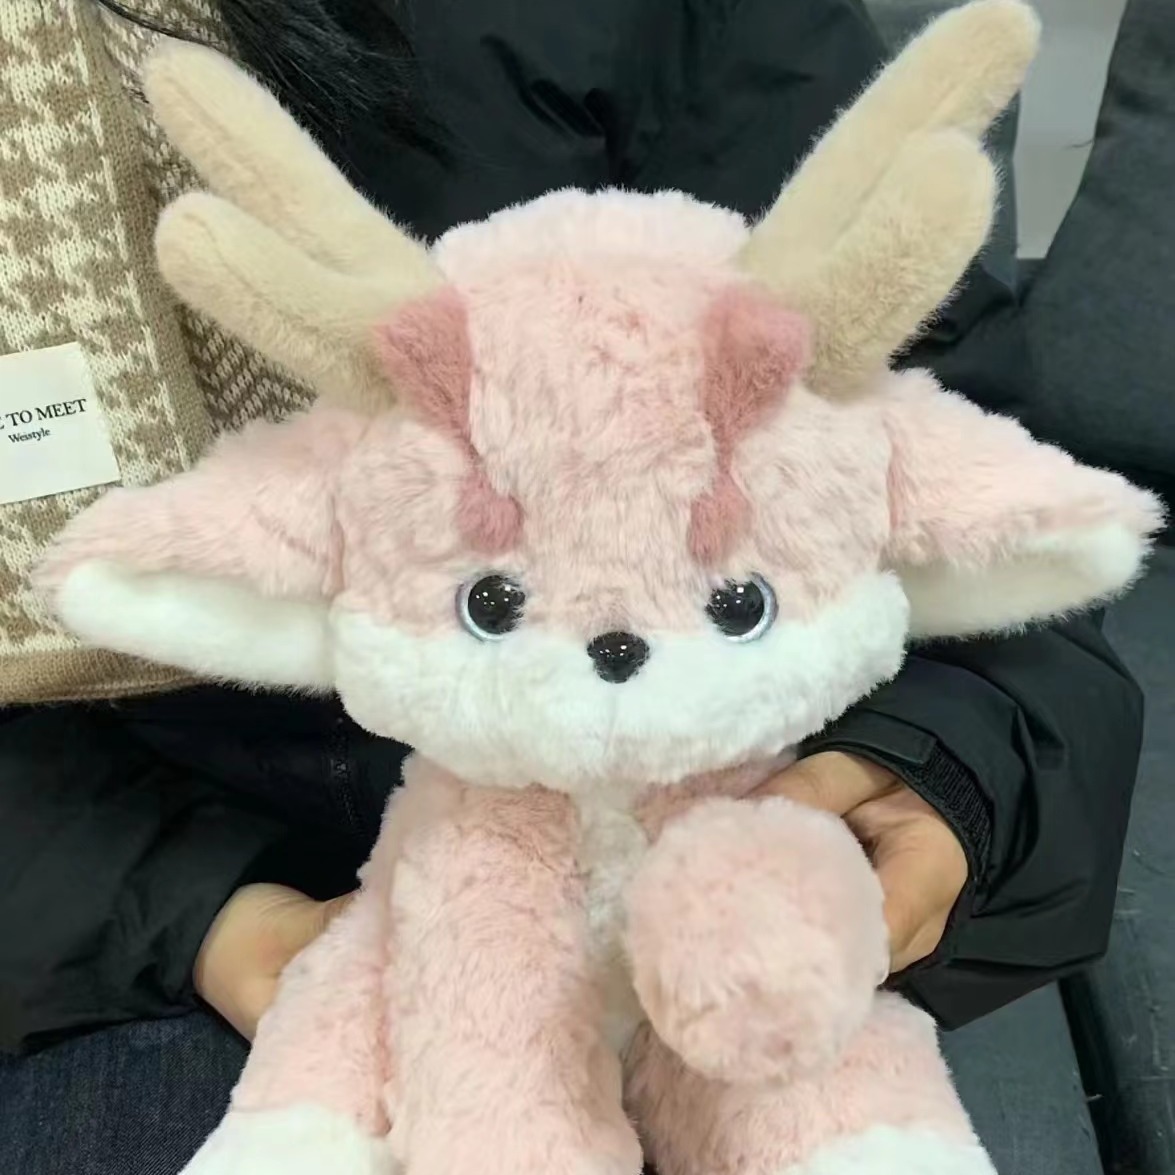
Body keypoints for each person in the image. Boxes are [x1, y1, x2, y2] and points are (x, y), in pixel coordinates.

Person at [0, 0, 1145, 1169]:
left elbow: (930, 441)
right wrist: (185, 907)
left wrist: (939, 769)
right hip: (149, 876)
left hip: (737, 812)